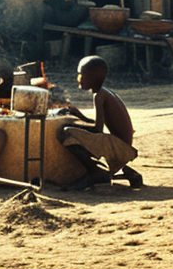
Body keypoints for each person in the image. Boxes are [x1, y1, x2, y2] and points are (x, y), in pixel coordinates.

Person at [54, 55, 142, 190]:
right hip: (121, 144)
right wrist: (79, 116)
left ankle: (95, 173)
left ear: (92, 77)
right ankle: (113, 171)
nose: (78, 78)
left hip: (121, 148)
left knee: (67, 132)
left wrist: (73, 125)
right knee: (71, 130)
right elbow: (97, 123)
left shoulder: (99, 96)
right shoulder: (104, 92)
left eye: (81, 74)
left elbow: (97, 129)